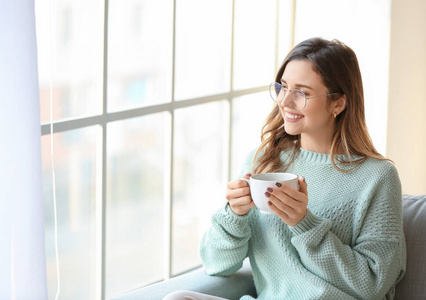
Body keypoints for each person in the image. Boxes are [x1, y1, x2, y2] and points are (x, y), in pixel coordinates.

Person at [164, 37, 406, 300]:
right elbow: (216, 264)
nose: (285, 102)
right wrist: (234, 215)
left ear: (338, 103)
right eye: (283, 87)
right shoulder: (261, 162)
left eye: (301, 92)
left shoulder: (377, 177)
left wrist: (304, 224)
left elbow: (372, 283)